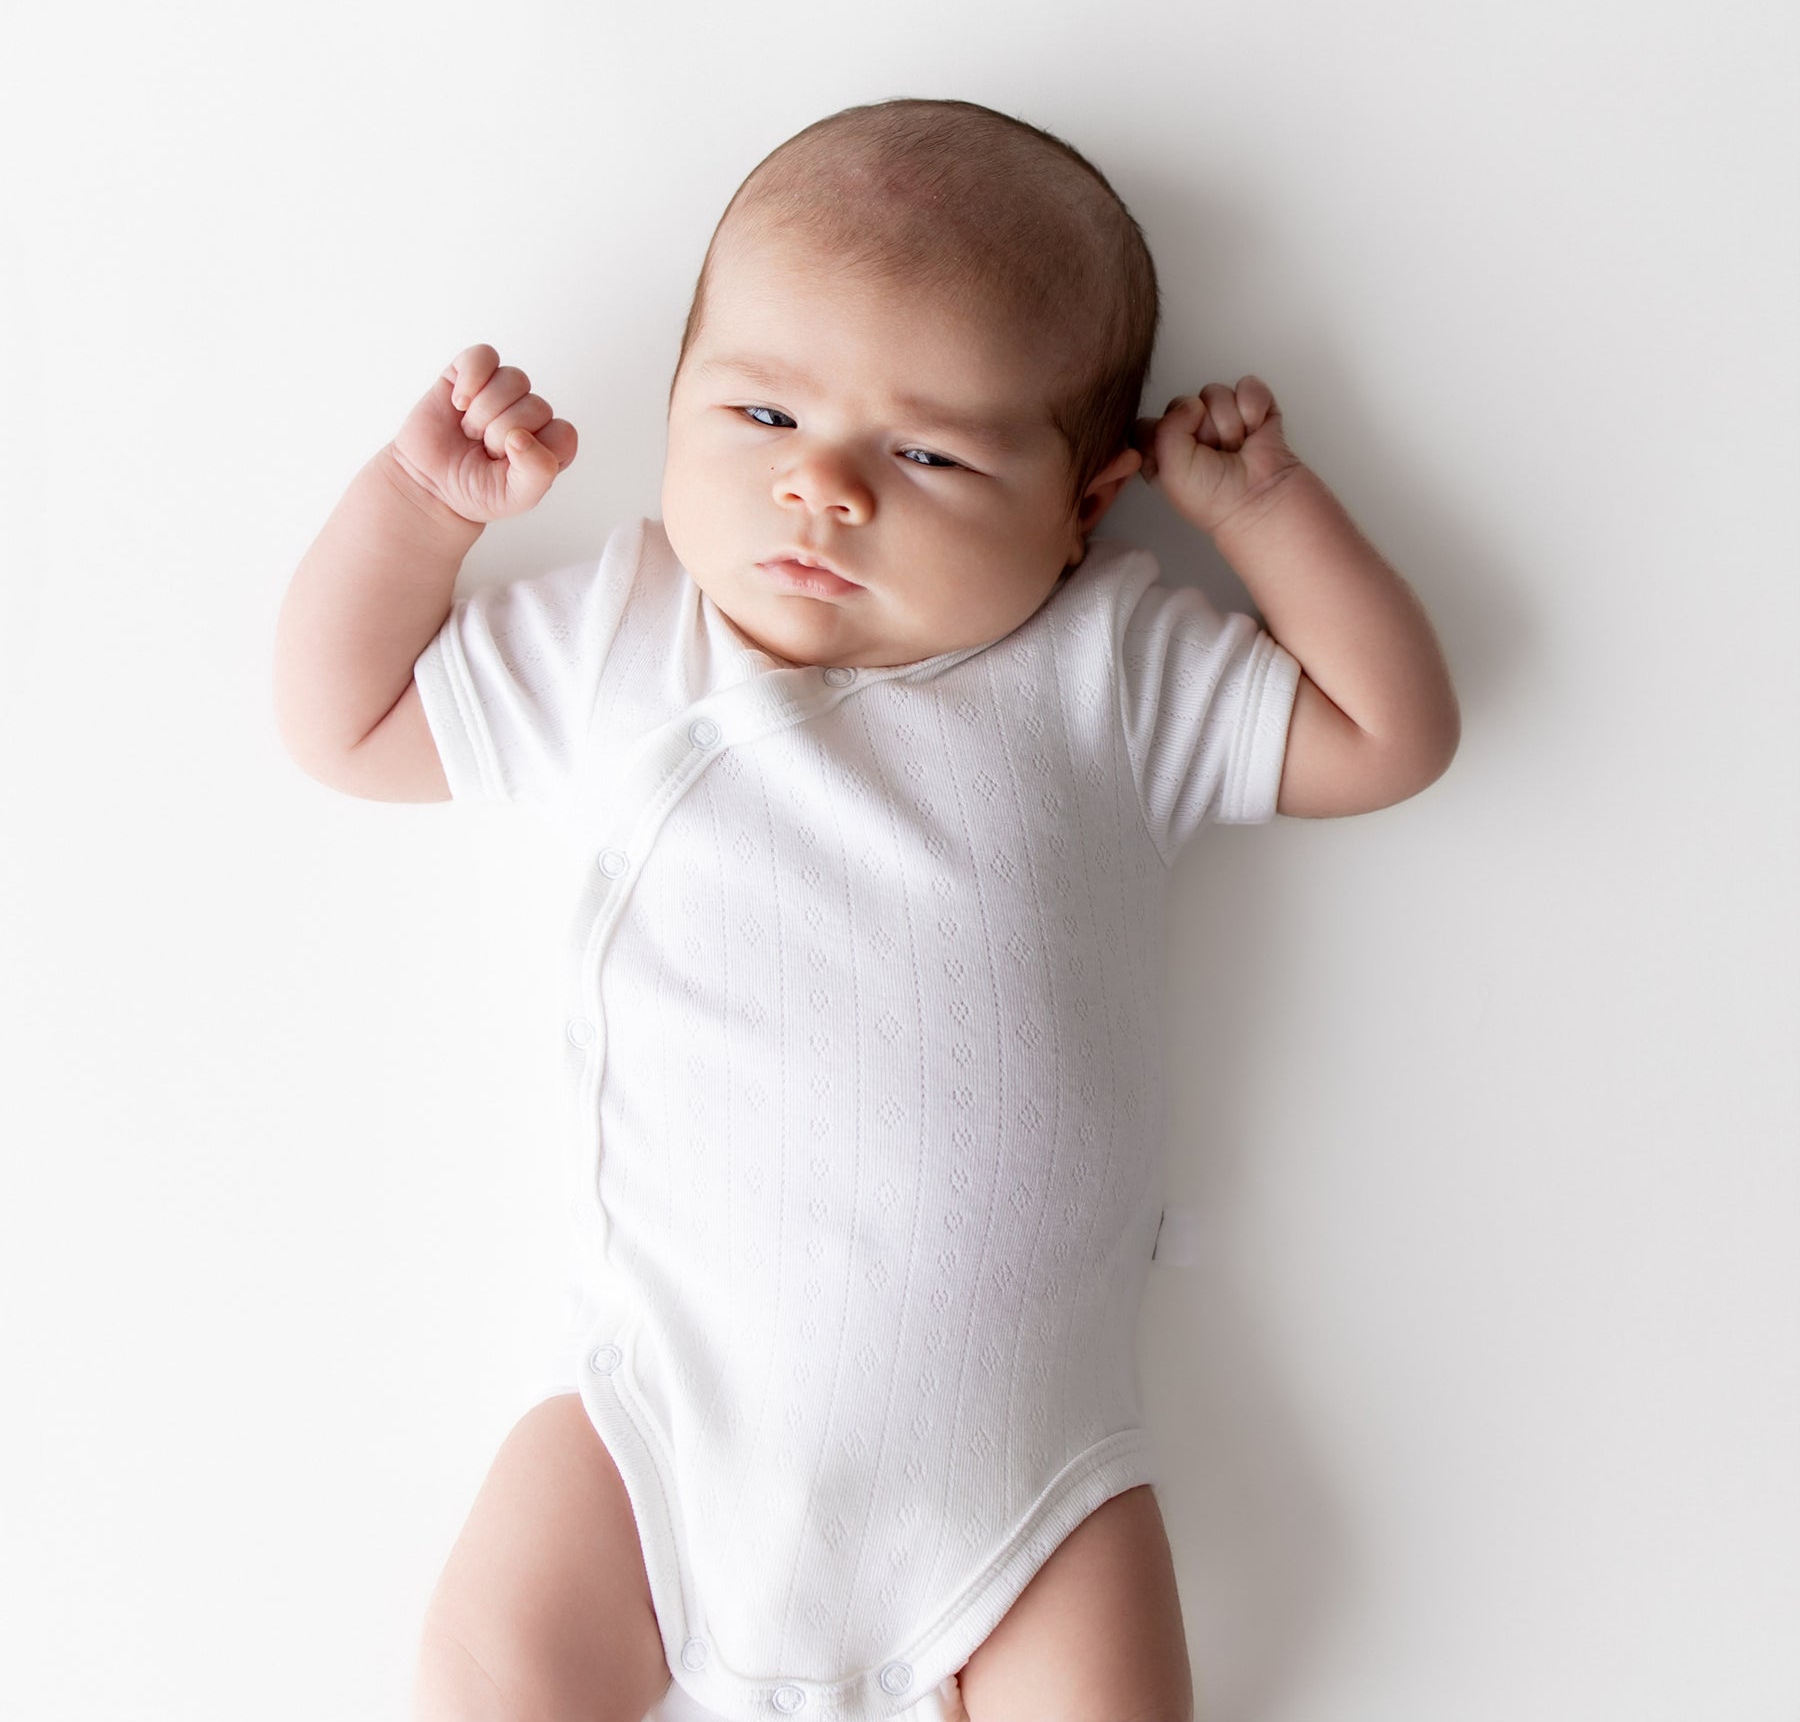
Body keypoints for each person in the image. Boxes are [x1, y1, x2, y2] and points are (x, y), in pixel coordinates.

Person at [273, 97, 1459, 1722]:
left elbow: (1391, 734)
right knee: (499, 1677)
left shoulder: (1104, 668)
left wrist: (1265, 517)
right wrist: (421, 511)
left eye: (927, 453)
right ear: (677, 405)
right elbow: (340, 723)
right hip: (663, 1436)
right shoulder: (629, 639)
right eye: (759, 415)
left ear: (1085, 507)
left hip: (1027, 1481)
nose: (823, 490)